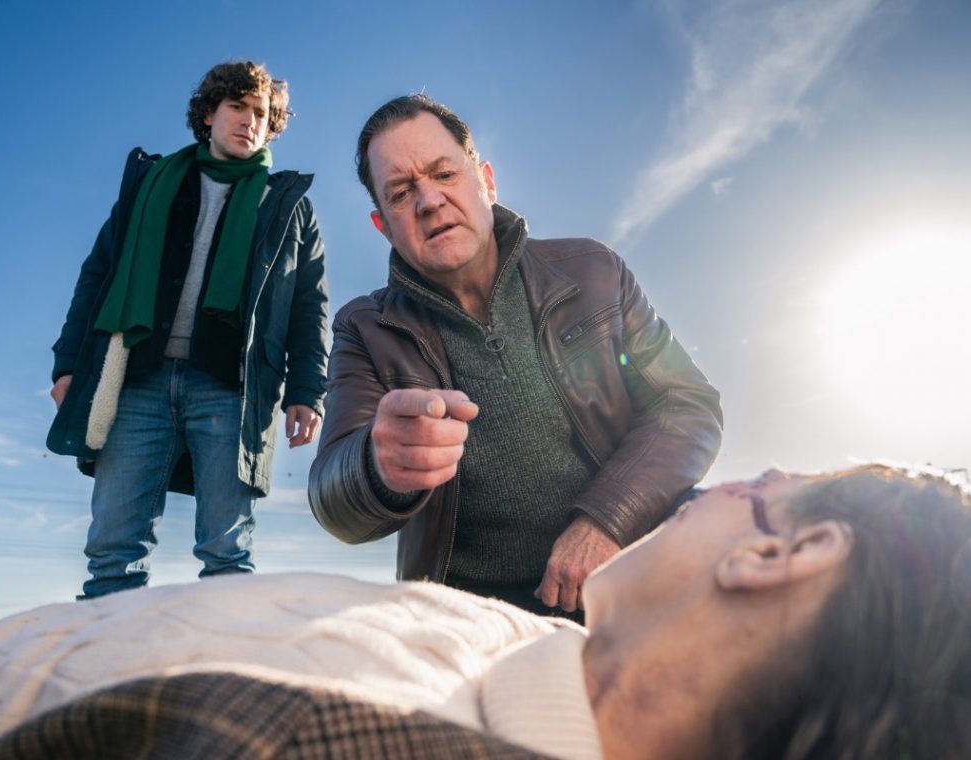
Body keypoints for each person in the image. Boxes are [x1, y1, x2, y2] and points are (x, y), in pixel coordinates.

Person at [0, 464, 971, 759]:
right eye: (394, 188)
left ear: (788, 553)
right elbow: (342, 484)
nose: (714, 485)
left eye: (763, 484)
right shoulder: (554, 653)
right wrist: (376, 470)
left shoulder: (293, 739)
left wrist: (599, 514)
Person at [307, 94, 723, 619]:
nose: (429, 201)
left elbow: (687, 405)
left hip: (631, 559)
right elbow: (331, 498)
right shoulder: (363, 328)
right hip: (474, 615)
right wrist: (375, 464)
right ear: (382, 226)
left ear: (486, 181)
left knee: (742, 529)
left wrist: (607, 521)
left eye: (444, 174)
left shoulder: (594, 270)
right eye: (401, 192)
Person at [46, 61, 329, 598]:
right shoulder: (151, 185)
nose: (249, 121)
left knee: (228, 554)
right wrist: (67, 364)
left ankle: (221, 653)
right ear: (208, 114)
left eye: (261, 113)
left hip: (231, 389)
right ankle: (112, 651)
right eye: (237, 107)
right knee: (112, 551)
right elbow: (97, 276)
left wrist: (307, 390)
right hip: (136, 380)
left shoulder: (287, 205)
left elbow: (308, 306)